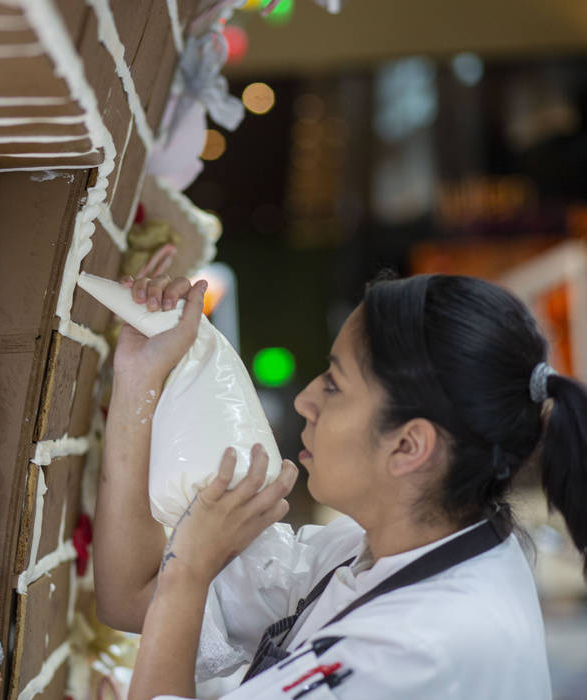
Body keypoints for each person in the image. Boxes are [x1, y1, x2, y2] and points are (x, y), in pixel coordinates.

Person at [94, 272, 587, 700]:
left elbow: (164, 590)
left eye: (334, 383)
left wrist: (190, 569)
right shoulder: (381, 551)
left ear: (409, 446)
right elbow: (134, 595)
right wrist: (139, 378)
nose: (307, 399)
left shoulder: (412, 652)